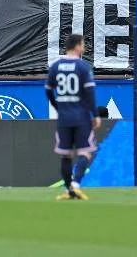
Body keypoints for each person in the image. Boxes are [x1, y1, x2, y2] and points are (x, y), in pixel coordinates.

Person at [46, 33, 100, 201]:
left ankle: (69, 190)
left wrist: (58, 107)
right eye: (82, 44)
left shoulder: (55, 67)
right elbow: (90, 93)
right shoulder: (83, 67)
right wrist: (95, 115)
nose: (83, 48)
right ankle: (75, 185)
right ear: (77, 46)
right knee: (85, 152)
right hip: (81, 116)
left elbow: (48, 90)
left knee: (66, 155)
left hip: (64, 117)